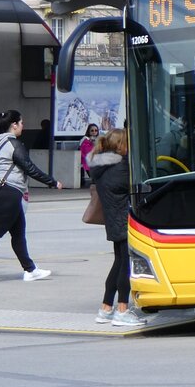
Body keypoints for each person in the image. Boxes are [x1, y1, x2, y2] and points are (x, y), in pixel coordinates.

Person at [0, 110, 63, 284]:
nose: (23, 126)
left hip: (0, 192)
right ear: (14, 125)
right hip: (8, 193)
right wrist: (52, 182)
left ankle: (30, 270)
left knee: (18, 233)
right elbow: (29, 168)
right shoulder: (13, 144)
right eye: (21, 123)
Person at [88, 129, 145, 327]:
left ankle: (105, 308)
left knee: (118, 262)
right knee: (125, 266)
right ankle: (122, 309)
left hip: (113, 221)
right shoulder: (121, 167)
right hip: (124, 220)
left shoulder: (102, 166)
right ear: (122, 145)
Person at [79, 123, 100, 188]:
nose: (94, 132)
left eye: (96, 130)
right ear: (88, 131)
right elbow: (85, 151)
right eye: (92, 130)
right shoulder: (85, 140)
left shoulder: (98, 139)